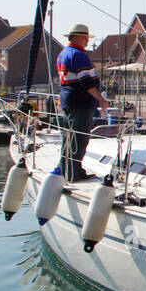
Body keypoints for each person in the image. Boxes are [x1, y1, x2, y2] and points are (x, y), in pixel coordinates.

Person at [56, 23, 108, 181]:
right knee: (79, 138)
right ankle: (74, 172)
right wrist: (100, 98)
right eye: (85, 38)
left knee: (67, 137)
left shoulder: (63, 53)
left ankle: (64, 169)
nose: (87, 41)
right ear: (77, 38)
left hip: (67, 100)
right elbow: (86, 81)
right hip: (80, 103)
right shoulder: (78, 55)